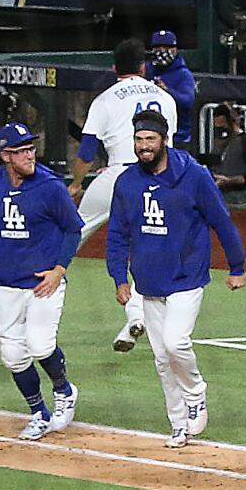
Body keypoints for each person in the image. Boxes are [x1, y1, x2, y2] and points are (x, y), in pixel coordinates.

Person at [105, 111, 246, 448]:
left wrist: (237, 266)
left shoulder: (193, 176)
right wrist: (118, 278)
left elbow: (221, 222)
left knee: (175, 342)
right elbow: (117, 234)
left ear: (164, 139)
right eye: (139, 140)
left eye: (150, 139)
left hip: (187, 276)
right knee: (161, 359)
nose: (143, 146)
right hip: (149, 282)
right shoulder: (127, 182)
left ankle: (196, 393)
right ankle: (177, 423)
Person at [0, 123, 85, 441]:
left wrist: (60, 269)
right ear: (5, 155)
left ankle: (64, 391)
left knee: (41, 344)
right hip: (6, 282)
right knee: (12, 355)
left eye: (31, 148)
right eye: (21, 151)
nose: (29, 155)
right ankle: (38, 413)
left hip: (44, 281)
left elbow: (73, 229)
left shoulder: (50, 186)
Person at [70, 38, 177, 354]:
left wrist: (76, 184)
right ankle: (139, 315)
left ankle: (36, 299)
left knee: (68, 237)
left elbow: (88, 150)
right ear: (144, 67)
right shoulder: (165, 97)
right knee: (145, 250)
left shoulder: (105, 99)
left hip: (117, 176)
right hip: (160, 179)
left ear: (115, 68)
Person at [145, 30, 194, 150]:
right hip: (150, 136)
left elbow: (188, 101)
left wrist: (167, 91)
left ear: (175, 49)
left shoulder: (183, 74)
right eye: (158, 47)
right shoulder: (147, 70)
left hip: (178, 138)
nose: (162, 50)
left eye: (167, 47)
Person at [210, 102, 246, 203]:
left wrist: (229, 181)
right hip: (217, 196)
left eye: (223, 127)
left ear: (231, 122)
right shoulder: (218, 145)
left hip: (238, 198)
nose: (221, 132)